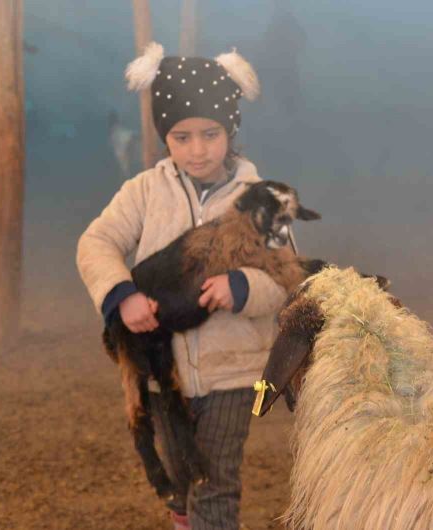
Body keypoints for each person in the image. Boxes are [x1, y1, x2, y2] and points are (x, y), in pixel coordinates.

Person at [76, 42, 294, 530]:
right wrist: (121, 295)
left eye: (210, 134)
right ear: (164, 136)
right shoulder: (144, 193)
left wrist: (242, 286)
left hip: (233, 373)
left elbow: (285, 277)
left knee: (214, 484)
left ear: (231, 129)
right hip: (161, 369)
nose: (197, 149)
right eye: (182, 136)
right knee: (180, 484)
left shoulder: (265, 200)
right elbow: (97, 242)